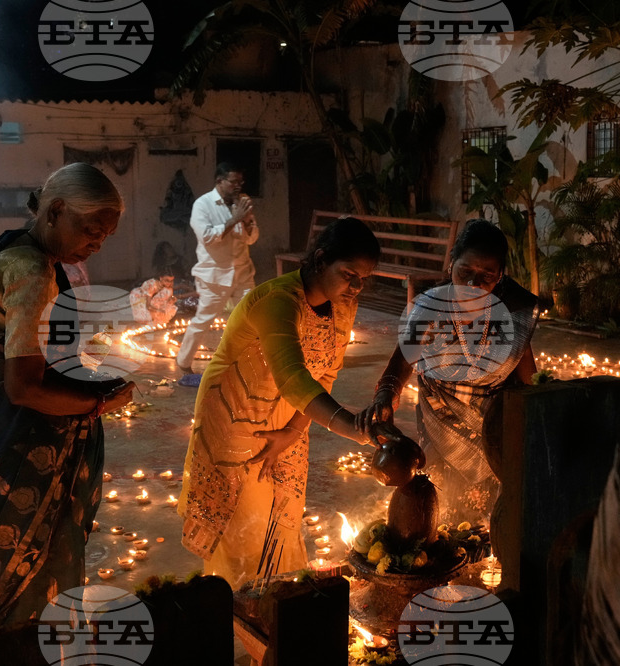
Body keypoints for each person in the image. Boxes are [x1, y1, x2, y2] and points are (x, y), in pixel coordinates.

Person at [0, 163, 135, 627]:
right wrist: (100, 403)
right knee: (25, 569)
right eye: (91, 230)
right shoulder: (32, 271)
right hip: (14, 446)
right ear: (56, 210)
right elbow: (23, 387)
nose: (96, 243)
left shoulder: (5, 248)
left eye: (105, 236)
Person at [178, 216, 391, 588]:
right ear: (321, 259)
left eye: (364, 278)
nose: (356, 287)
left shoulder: (342, 306)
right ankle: (240, 607)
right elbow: (294, 378)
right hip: (236, 411)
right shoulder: (277, 301)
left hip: (292, 411)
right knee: (245, 520)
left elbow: (325, 372)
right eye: (349, 274)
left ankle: (275, 604)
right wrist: (355, 428)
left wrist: (292, 432)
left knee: (282, 513)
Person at [360, 219, 540, 526]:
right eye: (465, 272)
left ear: (499, 278)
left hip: (495, 427)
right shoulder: (429, 308)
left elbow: (526, 376)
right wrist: (385, 396)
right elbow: (402, 360)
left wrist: (536, 416)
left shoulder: (511, 312)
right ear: (450, 265)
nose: (473, 284)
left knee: (493, 514)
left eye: (486, 276)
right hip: (441, 424)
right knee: (443, 510)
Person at [176, 163, 259, 375]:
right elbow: (208, 237)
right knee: (204, 319)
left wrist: (248, 221)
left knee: (250, 319)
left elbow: (252, 238)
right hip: (214, 276)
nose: (238, 186)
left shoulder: (242, 203)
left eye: (240, 182)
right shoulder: (203, 205)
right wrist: (235, 219)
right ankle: (184, 362)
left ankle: (245, 364)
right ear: (219, 182)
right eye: (233, 182)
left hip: (243, 273)